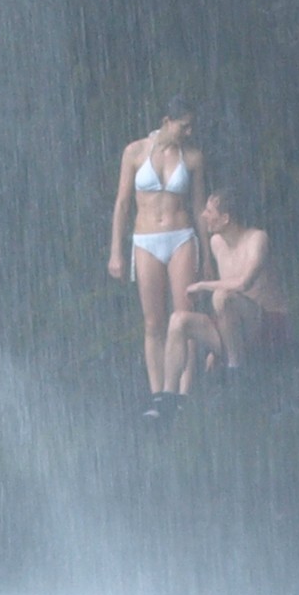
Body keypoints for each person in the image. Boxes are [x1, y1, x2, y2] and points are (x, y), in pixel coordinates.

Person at [107, 99, 207, 417]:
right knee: (153, 322)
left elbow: (200, 207)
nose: (188, 131)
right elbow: (123, 203)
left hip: (181, 237)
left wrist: (207, 257)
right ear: (167, 120)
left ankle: (183, 393)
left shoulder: (192, 157)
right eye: (184, 125)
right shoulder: (135, 152)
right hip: (145, 239)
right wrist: (115, 252)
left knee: (184, 317)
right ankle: (158, 395)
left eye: (192, 126)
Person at [173, 189, 286, 385]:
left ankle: (236, 373)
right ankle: (168, 398)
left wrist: (202, 285)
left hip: (268, 323)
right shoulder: (216, 243)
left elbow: (243, 283)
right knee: (178, 320)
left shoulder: (258, 238)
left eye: (209, 211)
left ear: (225, 218)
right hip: (239, 326)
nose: (203, 215)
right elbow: (227, 303)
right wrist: (213, 349)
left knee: (221, 296)